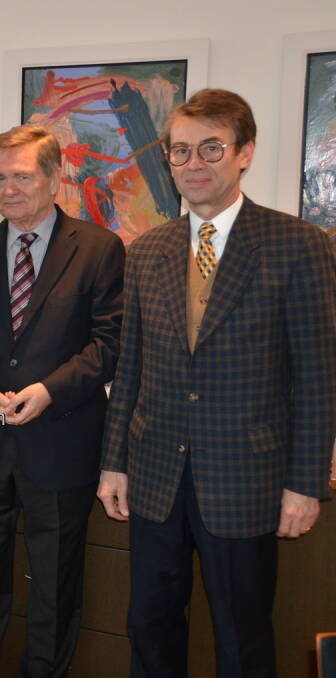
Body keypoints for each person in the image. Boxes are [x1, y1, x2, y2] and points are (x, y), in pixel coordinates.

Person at [98, 88, 336, 677]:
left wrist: (305, 483)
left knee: (242, 636)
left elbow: (317, 376)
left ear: (244, 152)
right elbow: (130, 366)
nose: (194, 164)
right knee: (149, 626)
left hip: (246, 479)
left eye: (211, 148)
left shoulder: (298, 245)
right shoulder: (148, 250)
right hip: (155, 475)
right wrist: (114, 463)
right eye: (180, 151)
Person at [0, 125, 124, 677]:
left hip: (61, 445)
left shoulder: (99, 249)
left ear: (55, 178)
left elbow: (109, 344)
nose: (8, 190)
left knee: (54, 591)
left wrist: (49, 390)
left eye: (21, 177)